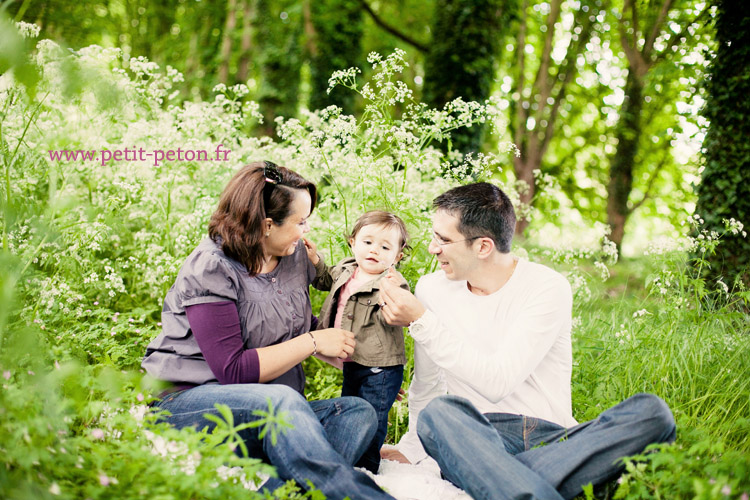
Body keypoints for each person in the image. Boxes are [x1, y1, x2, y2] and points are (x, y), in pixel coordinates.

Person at [377, 182, 676, 500]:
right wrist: (409, 449)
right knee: (439, 414)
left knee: (653, 413)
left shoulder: (546, 287)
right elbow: (428, 383)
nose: (433, 248)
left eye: (444, 240)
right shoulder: (431, 289)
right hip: (474, 437)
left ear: (483, 247)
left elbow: (498, 380)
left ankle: (506, 481)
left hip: (548, 437)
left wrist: (421, 321)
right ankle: (549, 481)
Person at [141, 161, 395, 500]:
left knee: (356, 412)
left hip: (267, 416)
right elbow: (233, 370)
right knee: (282, 402)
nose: (306, 231)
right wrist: (314, 341)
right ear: (266, 225)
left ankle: (278, 490)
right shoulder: (211, 268)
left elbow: (299, 323)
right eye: (300, 222)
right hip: (190, 405)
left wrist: (365, 362)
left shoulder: (293, 255)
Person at [306, 210, 410, 473]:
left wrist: (397, 292)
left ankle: (367, 466)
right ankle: (349, 454)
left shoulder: (390, 282)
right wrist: (315, 260)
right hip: (352, 360)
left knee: (373, 415)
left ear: (397, 256)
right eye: (367, 242)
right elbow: (323, 279)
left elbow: (402, 308)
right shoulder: (345, 269)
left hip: (381, 365)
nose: (374, 250)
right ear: (352, 242)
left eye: (385, 247)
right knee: (352, 408)